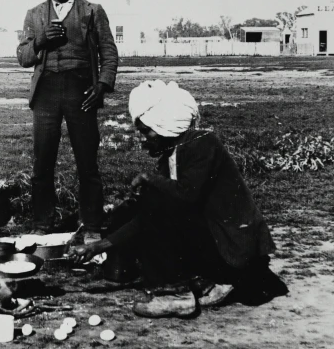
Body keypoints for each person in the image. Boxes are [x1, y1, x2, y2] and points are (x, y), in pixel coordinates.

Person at [68, 80, 287, 318]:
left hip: (234, 247)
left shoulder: (202, 144)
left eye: (146, 131)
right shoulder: (175, 151)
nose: (143, 139)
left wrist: (149, 179)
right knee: (144, 204)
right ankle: (204, 281)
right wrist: (96, 247)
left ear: (164, 125)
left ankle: (175, 292)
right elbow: (147, 218)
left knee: (153, 197)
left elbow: (185, 196)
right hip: (217, 241)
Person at [17, 0, 119, 241]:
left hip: (81, 91)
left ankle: (92, 225)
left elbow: (109, 53)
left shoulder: (92, 11)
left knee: (87, 161)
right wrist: (40, 43)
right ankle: (42, 224)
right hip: (46, 92)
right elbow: (23, 56)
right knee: (42, 161)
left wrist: (101, 86)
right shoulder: (34, 14)